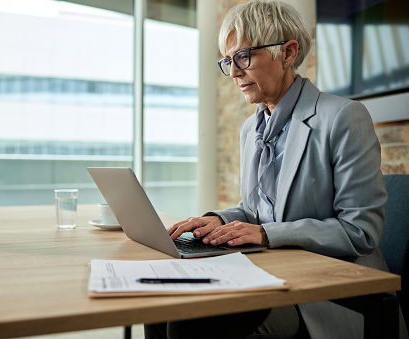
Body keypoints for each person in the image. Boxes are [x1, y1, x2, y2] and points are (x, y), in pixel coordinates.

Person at [144, 0, 392, 338]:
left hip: (327, 291)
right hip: (266, 272)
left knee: (189, 325)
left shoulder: (343, 117)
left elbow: (360, 230)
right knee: (162, 307)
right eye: (228, 61)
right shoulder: (251, 128)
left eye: (244, 57)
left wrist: (266, 234)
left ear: (288, 53)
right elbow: (254, 209)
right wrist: (219, 219)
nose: (233, 72)